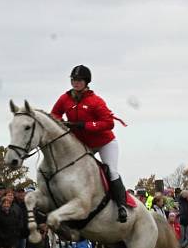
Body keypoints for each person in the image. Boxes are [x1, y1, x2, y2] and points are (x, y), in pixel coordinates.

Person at [51, 65, 129, 222]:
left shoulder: (95, 101)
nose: (75, 82)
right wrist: (62, 124)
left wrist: (85, 125)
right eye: (73, 80)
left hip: (104, 142)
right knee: (72, 169)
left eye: (79, 80)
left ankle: (122, 206)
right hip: (83, 144)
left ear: (86, 82)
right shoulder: (65, 99)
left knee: (112, 171)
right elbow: (54, 114)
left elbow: (109, 123)